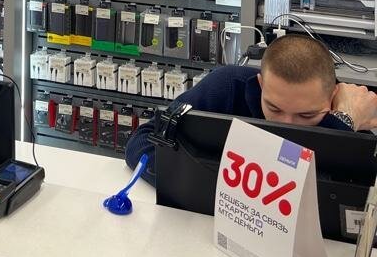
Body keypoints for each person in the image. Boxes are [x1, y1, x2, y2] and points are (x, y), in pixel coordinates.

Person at [126, 34, 377, 182]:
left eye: (306, 115)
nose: (287, 125)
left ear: (332, 97)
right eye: (274, 108)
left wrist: (343, 122)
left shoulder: (350, 114)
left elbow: (346, 195)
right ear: (260, 85)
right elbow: (142, 143)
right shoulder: (226, 87)